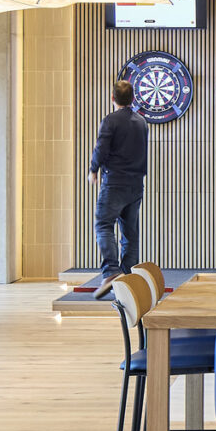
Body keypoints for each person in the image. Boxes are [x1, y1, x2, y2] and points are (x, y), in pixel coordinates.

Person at [89, 77, 150, 285]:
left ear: (112, 98)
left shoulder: (110, 121)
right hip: (136, 184)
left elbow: (101, 148)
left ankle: (112, 271)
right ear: (132, 99)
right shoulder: (141, 122)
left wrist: (93, 170)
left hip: (114, 183)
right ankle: (128, 279)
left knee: (103, 225)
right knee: (130, 233)